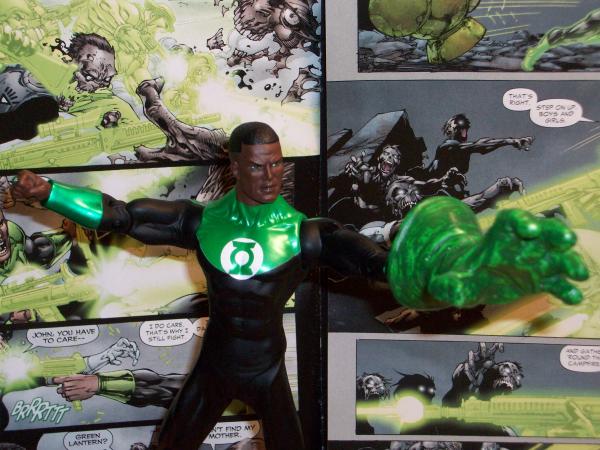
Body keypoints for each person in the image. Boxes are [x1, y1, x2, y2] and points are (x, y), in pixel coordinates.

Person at [10, 122, 588, 450]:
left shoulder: (307, 233)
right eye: (256, 165)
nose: (269, 175)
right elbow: (121, 215)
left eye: (277, 164)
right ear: (233, 165)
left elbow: (381, 268)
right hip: (215, 365)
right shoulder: (199, 221)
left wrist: (471, 270)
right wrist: (51, 194)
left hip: (265, 369)